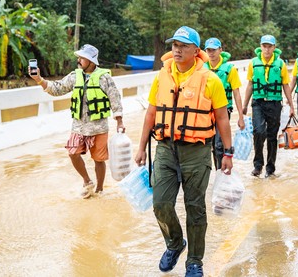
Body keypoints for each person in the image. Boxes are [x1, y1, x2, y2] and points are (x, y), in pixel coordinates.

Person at [134, 26, 233, 277]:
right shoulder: (161, 76)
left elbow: (222, 117)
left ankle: (194, 261)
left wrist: (228, 154)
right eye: (174, 45)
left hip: (197, 151)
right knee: (160, 203)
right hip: (166, 147)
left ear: (196, 51)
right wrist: (141, 147)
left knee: (195, 207)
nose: (177, 49)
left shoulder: (211, 80)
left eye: (183, 45)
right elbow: (151, 112)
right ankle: (175, 243)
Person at [29, 44, 124, 198]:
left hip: (99, 127)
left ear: (91, 61)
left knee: (99, 160)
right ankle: (87, 181)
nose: (79, 60)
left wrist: (119, 121)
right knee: (72, 153)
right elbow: (57, 88)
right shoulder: (74, 76)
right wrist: (39, 79)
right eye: (79, 57)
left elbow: (115, 98)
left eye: (82, 58)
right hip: (79, 126)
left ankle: (99, 190)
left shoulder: (104, 78)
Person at [242, 34, 295, 178]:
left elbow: (285, 85)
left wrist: (291, 106)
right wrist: (244, 105)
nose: (266, 49)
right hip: (258, 102)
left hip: (274, 103)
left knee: (272, 136)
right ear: (260, 47)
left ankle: (270, 168)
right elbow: (250, 84)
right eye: (264, 46)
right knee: (259, 132)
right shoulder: (253, 63)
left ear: (274, 48)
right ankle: (258, 165)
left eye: (269, 46)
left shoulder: (280, 64)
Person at [203, 37, 245, 170]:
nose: (211, 53)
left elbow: (236, 93)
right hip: (205, 111)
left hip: (223, 110)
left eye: (214, 50)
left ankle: (222, 173)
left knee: (219, 145)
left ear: (220, 50)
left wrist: (241, 116)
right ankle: (214, 171)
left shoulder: (229, 69)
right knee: (207, 144)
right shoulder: (202, 68)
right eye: (208, 50)